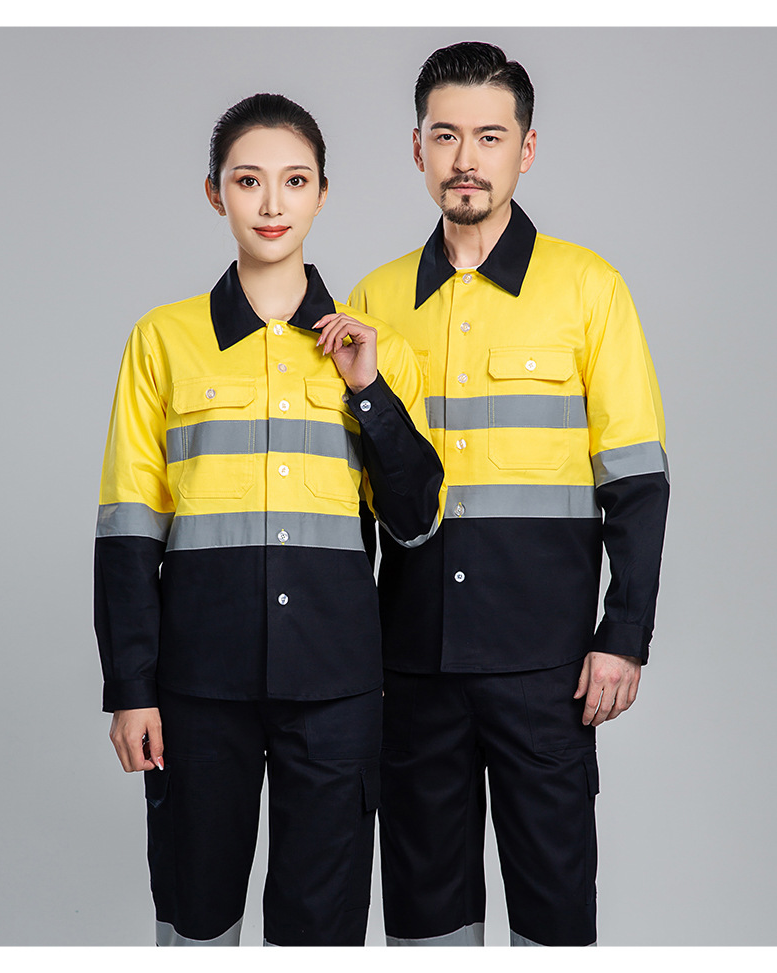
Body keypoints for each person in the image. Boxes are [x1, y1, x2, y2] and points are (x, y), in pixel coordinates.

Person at [94, 92, 444, 947]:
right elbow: (129, 529)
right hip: (197, 687)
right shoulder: (161, 340)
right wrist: (131, 690)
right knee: (196, 922)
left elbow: (414, 520)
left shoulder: (377, 350)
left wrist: (368, 390)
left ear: (323, 192)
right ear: (216, 192)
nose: (272, 203)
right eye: (249, 180)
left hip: (336, 689)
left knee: (320, 932)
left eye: (294, 180)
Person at [348, 41, 669, 947]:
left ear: (526, 149)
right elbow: (354, 501)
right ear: (417, 149)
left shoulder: (589, 289)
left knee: (554, 920)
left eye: (490, 136)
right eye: (446, 135)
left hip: (547, 670)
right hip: (411, 667)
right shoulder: (373, 301)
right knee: (424, 925)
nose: (466, 158)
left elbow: (637, 482)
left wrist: (623, 635)